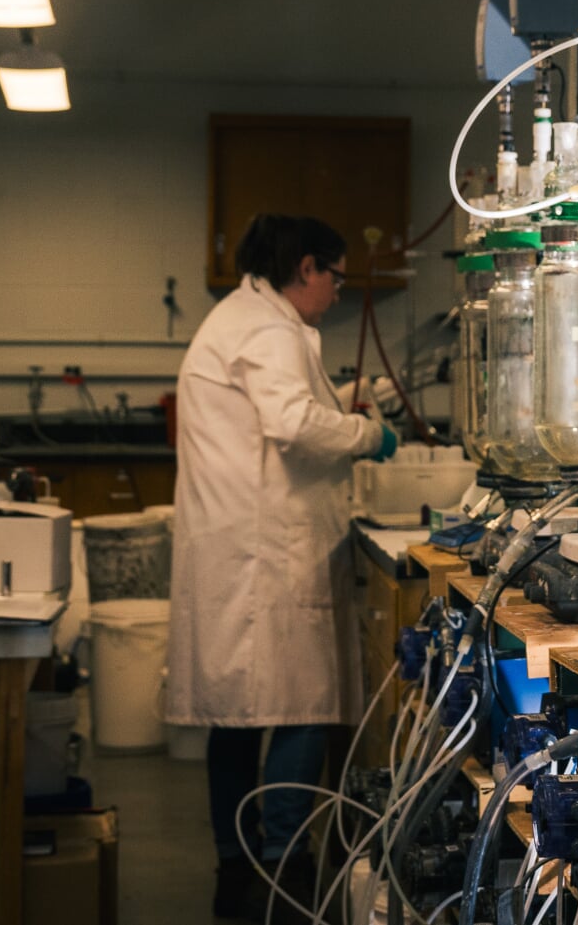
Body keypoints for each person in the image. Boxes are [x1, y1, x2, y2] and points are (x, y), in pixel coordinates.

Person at [164, 213, 399, 922]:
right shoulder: (266, 330)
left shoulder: (247, 319)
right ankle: (282, 870)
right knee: (301, 703)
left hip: (246, 550)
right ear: (304, 268)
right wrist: (367, 434)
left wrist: (349, 404)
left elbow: (289, 409)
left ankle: (238, 869)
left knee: (237, 717)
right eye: (333, 274)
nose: (337, 289)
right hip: (263, 558)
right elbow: (294, 423)